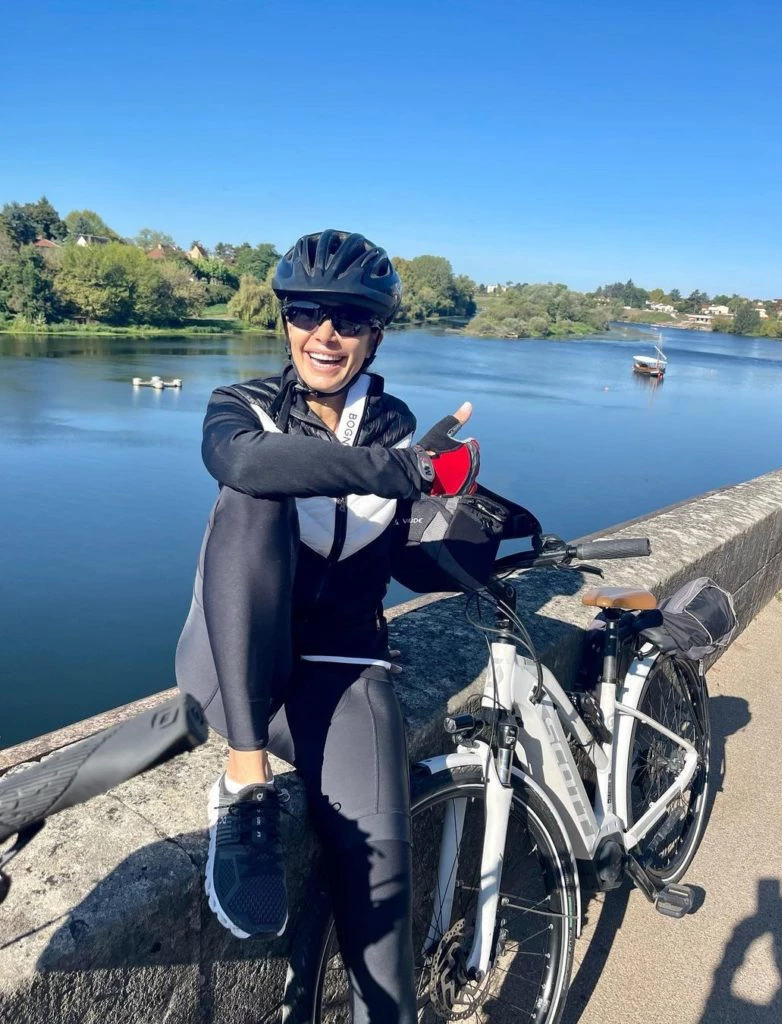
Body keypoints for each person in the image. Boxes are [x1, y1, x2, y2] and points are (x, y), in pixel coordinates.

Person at [175, 229, 478, 1022]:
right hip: (240, 667)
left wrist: (466, 516)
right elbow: (245, 464)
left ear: (376, 333)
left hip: (345, 671)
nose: (325, 334)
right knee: (253, 494)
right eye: (306, 312)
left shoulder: (397, 425)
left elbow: (404, 556)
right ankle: (244, 784)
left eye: (349, 318)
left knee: (383, 914)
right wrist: (401, 471)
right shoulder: (240, 405)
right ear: (284, 321)